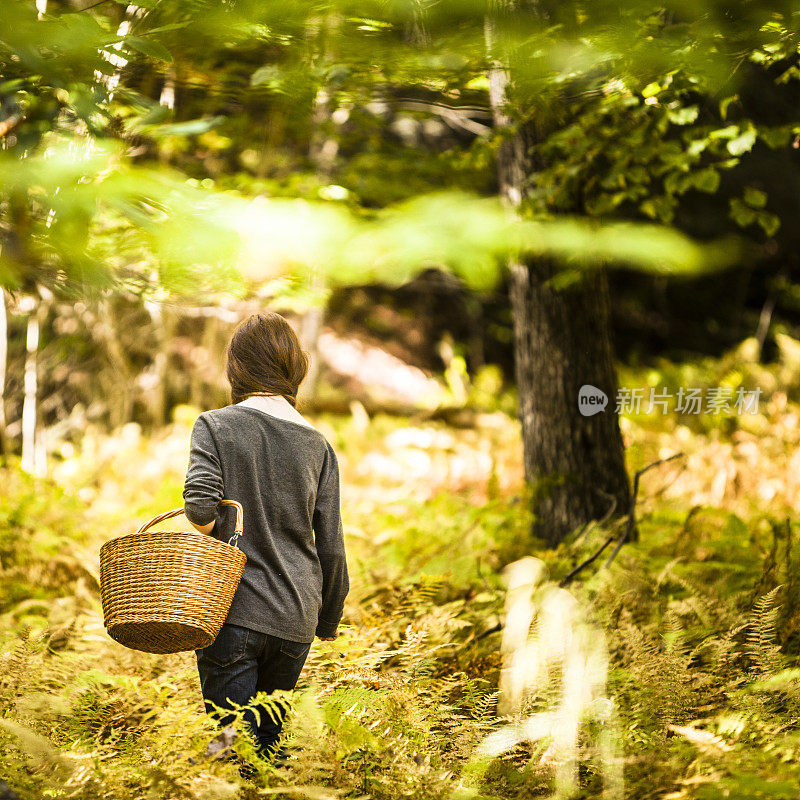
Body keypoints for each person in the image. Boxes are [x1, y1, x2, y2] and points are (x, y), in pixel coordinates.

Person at [182, 311, 349, 770]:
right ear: (295, 367)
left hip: (233, 612)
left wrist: (226, 530)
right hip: (296, 618)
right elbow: (331, 545)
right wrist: (327, 619)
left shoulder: (215, 425)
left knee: (233, 748)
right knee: (269, 751)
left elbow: (197, 507)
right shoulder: (318, 444)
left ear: (236, 367)